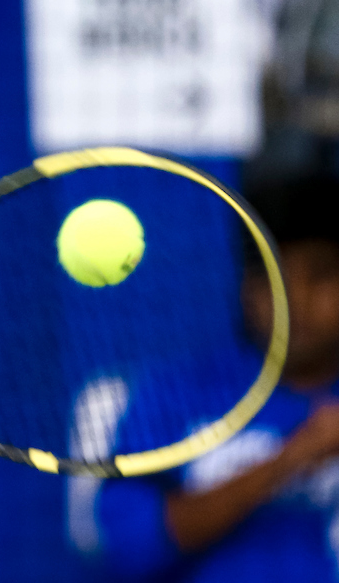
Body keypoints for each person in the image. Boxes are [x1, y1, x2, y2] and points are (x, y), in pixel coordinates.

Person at [82, 177, 339, 582]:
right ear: (248, 290)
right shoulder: (176, 396)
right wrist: (291, 457)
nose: (299, 301)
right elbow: (131, 546)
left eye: (321, 276)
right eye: (277, 279)